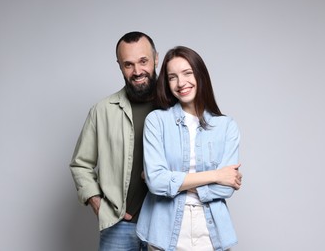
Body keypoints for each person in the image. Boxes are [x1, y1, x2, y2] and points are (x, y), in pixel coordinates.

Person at [136, 46, 242, 251]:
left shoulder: (226, 126)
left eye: (187, 73)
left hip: (211, 231)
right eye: (172, 77)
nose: (181, 83)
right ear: (167, 83)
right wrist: (216, 175)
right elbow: (156, 182)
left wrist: (170, 180)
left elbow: (225, 187)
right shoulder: (157, 121)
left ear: (200, 75)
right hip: (163, 230)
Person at [69, 31, 159, 251]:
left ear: (156, 58)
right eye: (128, 64)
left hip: (165, 225)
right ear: (119, 66)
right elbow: (81, 164)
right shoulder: (102, 110)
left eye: (143, 61)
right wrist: (98, 204)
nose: (137, 71)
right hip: (119, 227)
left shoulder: (175, 107)